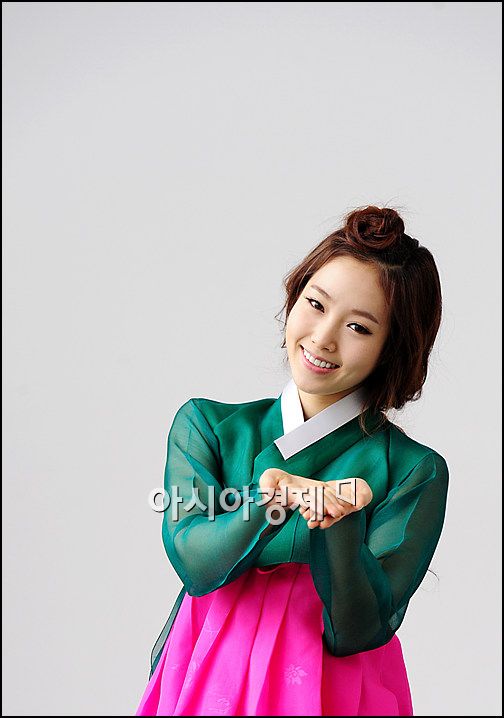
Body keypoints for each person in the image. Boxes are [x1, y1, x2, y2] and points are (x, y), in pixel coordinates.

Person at [135, 205, 449, 716]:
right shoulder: (207, 426)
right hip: (214, 673)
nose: (323, 338)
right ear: (295, 295)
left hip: (331, 690)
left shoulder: (414, 470)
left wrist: (338, 525)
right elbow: (196, 563)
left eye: (359, 327)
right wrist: (273, 497)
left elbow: (359, 629)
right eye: (316, 304)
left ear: (393, 347)